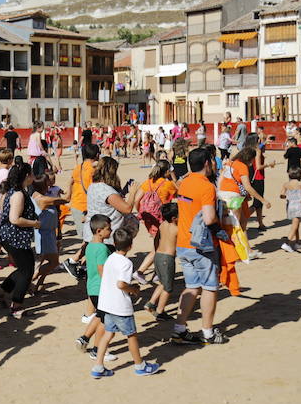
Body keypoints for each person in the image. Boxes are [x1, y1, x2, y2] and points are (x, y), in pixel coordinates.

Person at [172, 148, 227, 345]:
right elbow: (209, 217)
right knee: (210, 288)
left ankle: (179, 328)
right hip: (202, 245)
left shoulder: (184, 182)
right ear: (206, 163)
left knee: (191, 287)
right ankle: (208, 332)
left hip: (183, 243)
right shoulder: (207, 187)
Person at [90, 228, 161, 379]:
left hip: (106, 304)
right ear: (131, 245)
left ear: (114, 243)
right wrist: (133, 290)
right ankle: (140, 366)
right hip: (120, 306)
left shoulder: (110, 258)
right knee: (132, 335)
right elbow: (121, 284)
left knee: (108, 334)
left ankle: (98, 366)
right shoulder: (126, 263)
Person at [0, 163, 40, 318]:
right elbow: (14, 219)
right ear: (26, 176)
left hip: (10, 236)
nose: (33, 176)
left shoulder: (12, 191)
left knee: (23, 269)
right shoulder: (18, 194)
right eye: (31, 173)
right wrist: (34, 223)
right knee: (27, 271)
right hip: (15, 237)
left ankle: (0, 292)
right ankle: (16, 305)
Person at [75, 214, 115, 359]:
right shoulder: (102, 248)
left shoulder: (89, 246)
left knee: (99, 315)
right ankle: (97, 350)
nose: (110, 231)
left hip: (92, 287)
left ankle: (85, 338)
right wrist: (113, 287)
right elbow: (102, 270)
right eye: (108, 229)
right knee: (106, 320)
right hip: (102, 289)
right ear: (99, 231)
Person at [85, 156, 140, 245]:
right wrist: (133, 192)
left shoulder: (93, 185)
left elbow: (111, 201)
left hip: (93, 232)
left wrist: (124, 191)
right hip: (106, 236)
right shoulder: (107, 190)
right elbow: (127, 209)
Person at [144, 202, 179, 320]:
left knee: (163, 283)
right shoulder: (176, 228)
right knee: (168, 287)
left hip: (158, 256)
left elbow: (157, 239)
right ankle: (160, 311)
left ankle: (151, 303)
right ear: (174, 218)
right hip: (167, 259)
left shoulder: (163, 224)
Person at [280, 167, 301, 253]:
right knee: (294, 225)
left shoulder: (286, 184)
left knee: (296, 224)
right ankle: (287, 243)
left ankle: (297, 242)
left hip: (289, 205)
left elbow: (281, 195)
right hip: (298, 205)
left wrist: (287, 196)